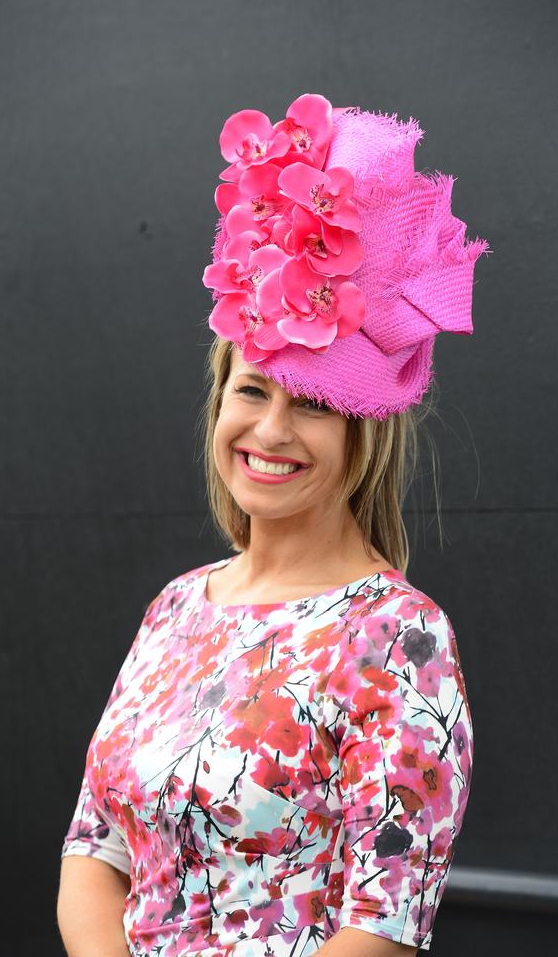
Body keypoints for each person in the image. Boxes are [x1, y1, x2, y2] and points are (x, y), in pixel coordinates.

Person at [57, 93, 489, 956]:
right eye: (251, 390)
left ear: (363, 433)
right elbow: (91, 851)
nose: (270, 431)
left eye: (315, 405)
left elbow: (382, 929)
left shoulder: (399, 639)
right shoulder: (177, 609)